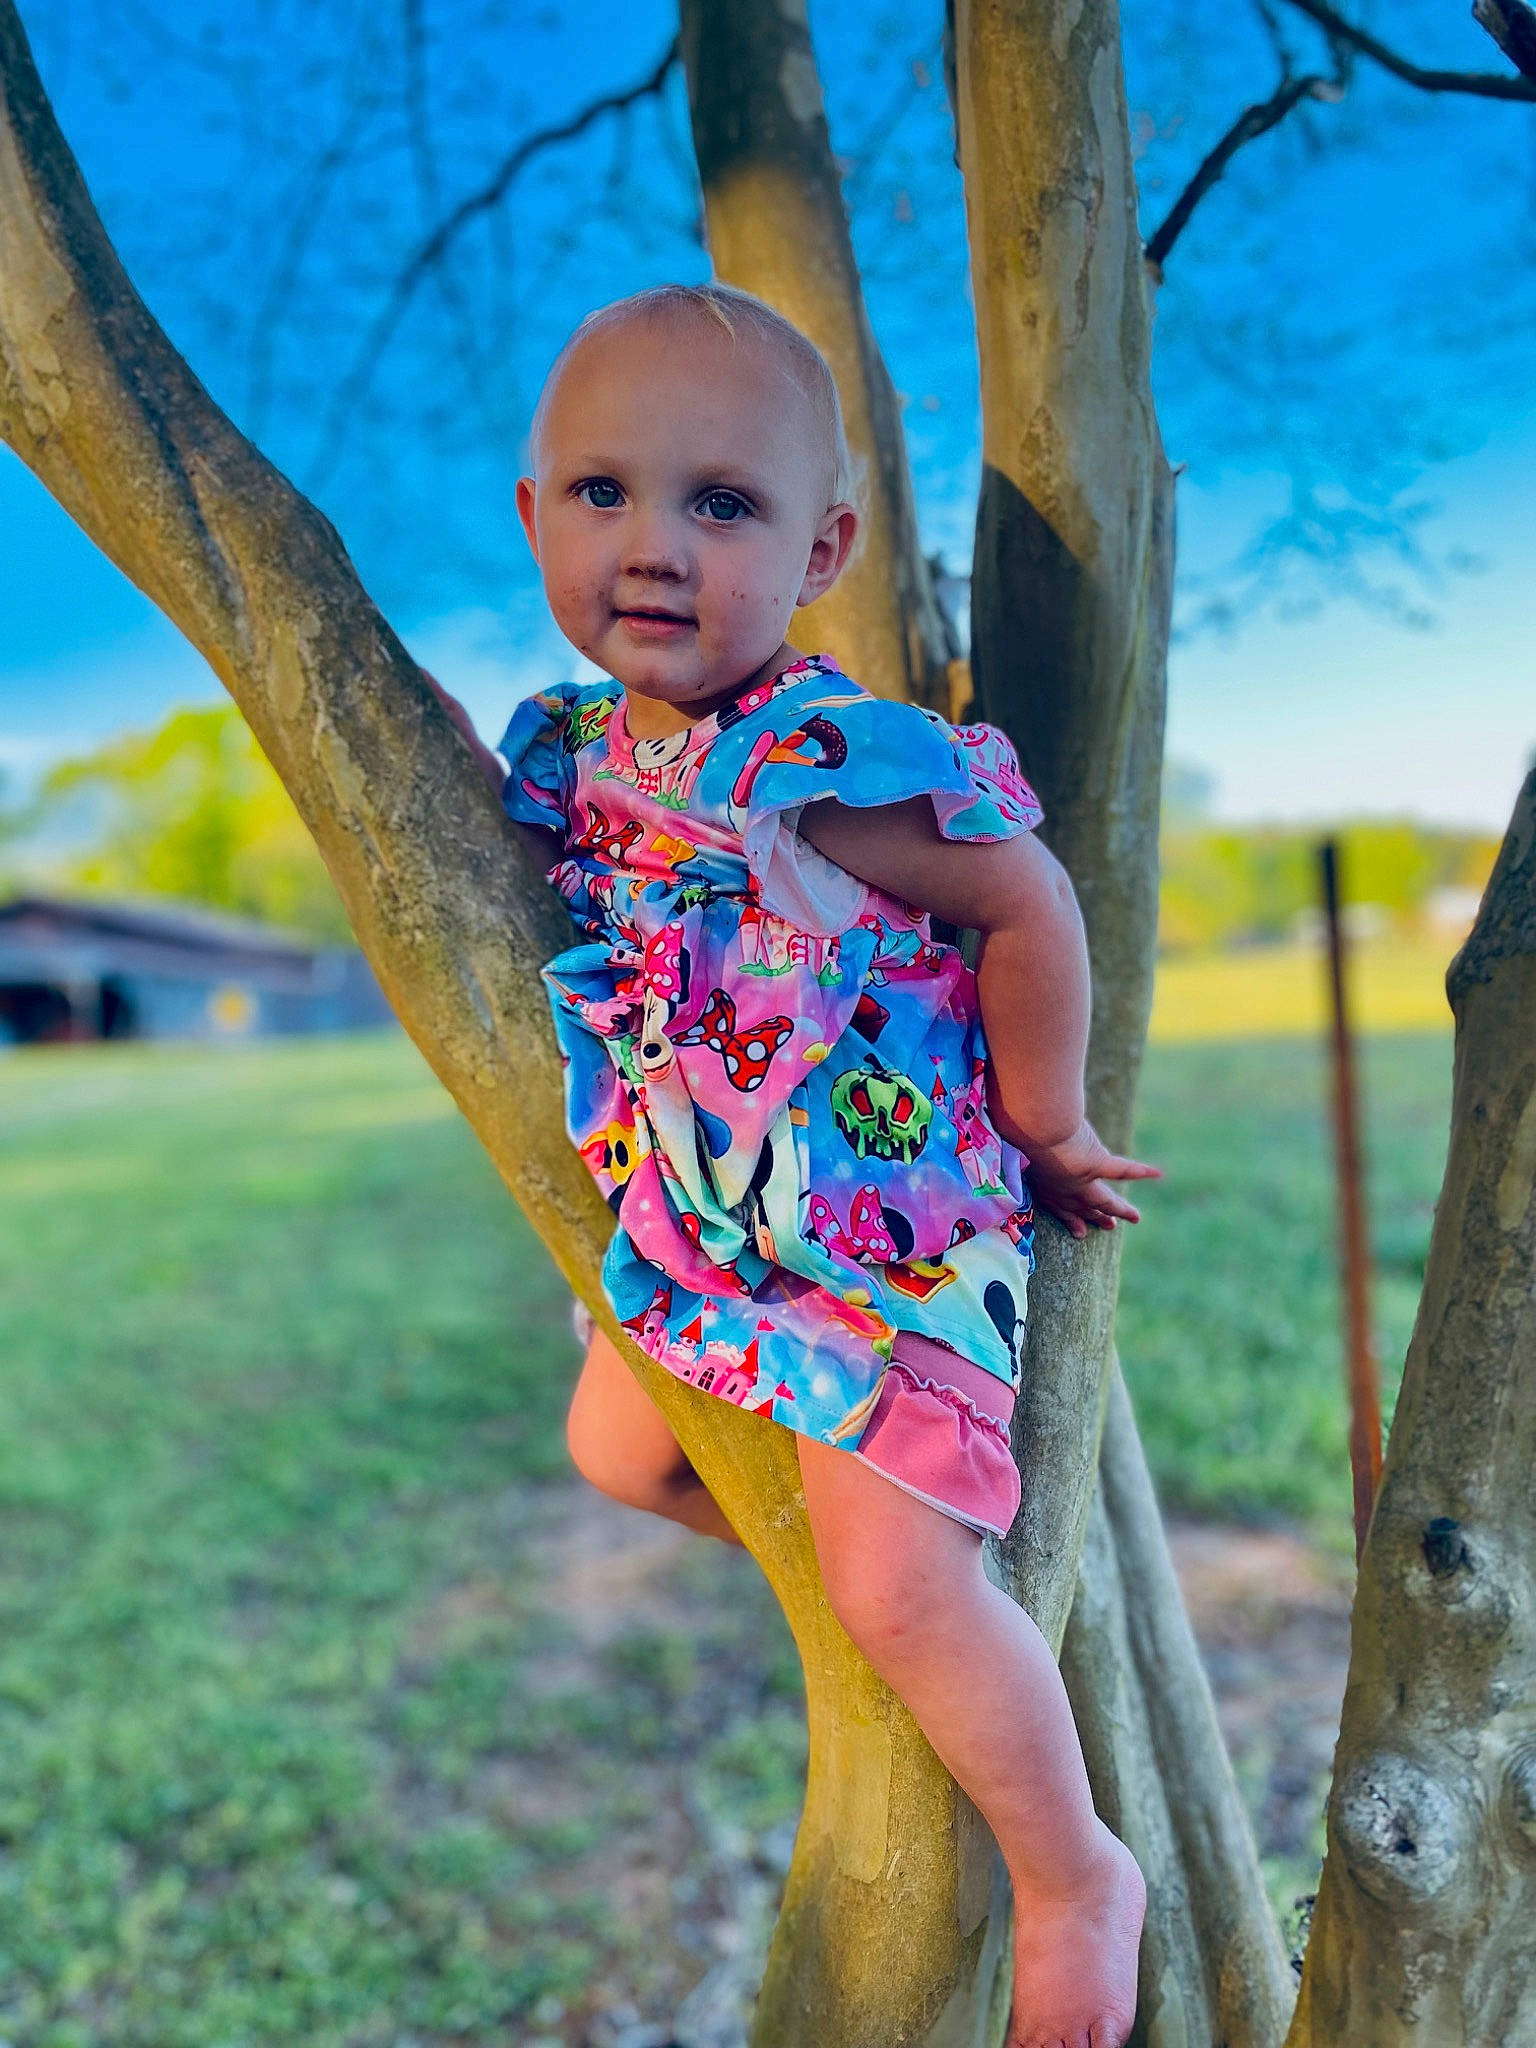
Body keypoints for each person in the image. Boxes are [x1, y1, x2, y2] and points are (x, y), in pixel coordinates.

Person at [433, 281, 1157, 2048]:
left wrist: (1049, 1121)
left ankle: (1074, 1871)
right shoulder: (588, 752)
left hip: (886, 1230)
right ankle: (854, 1574)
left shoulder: (819, 757)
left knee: (902, 1586)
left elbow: (1027, 900)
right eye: (602, 494)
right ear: (534, 518)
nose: (655, 545)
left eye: (722, 504)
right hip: (711, 1225)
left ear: (824, 542)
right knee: (615, 1452)